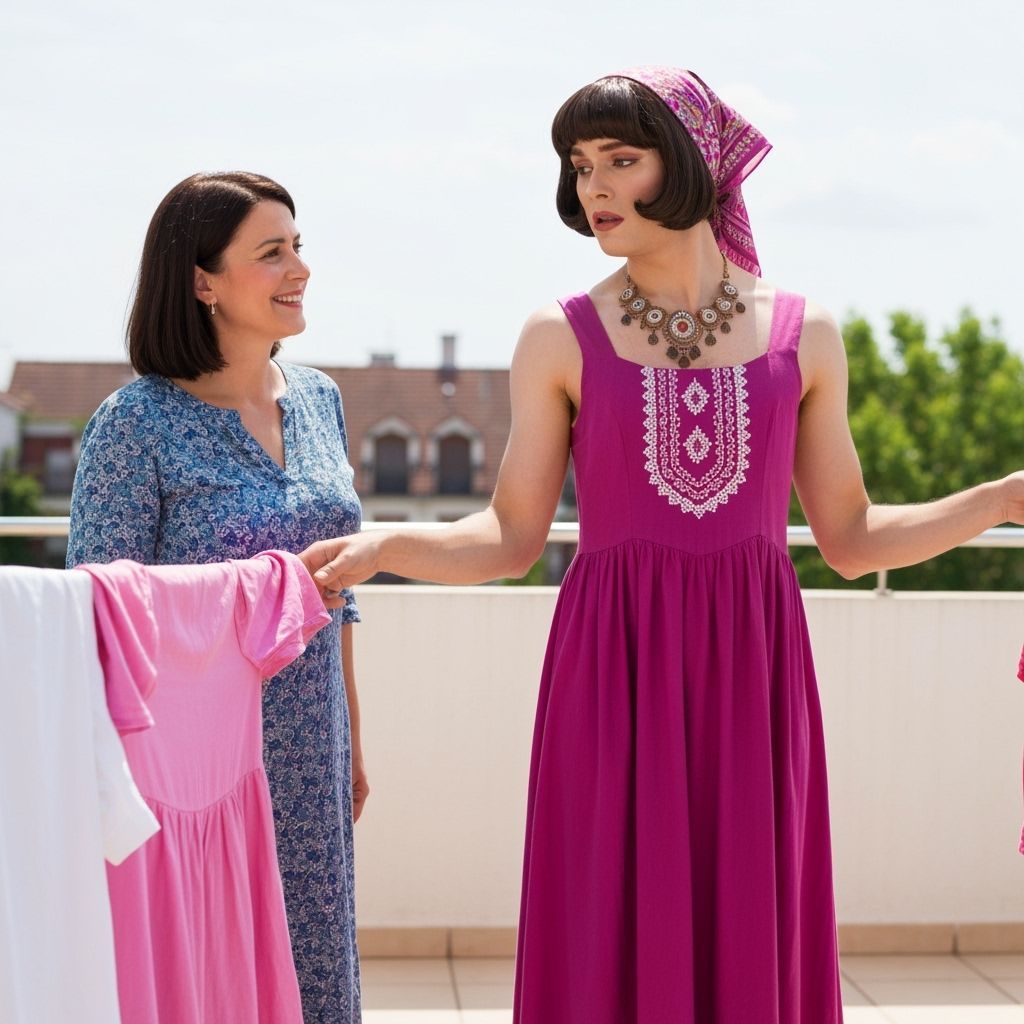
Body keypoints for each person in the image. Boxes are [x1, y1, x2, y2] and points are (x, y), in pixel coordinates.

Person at [301, 69, 1024, 1024]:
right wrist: (384, 543)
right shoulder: (556, 336)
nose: (594, 186)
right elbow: (512, 536)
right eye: (580, 166)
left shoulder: (808, 335)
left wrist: (1004, 497)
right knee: (604, 918)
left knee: (749, 923)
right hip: (612, 676)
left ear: (688, 167)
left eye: (620, 161)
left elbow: (850, 538)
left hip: (755, 678)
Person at [67, 172, 366, 1023]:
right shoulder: (135, 424)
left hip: (310, 739)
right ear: (201, 280)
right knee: (209, 968)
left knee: (316, 961)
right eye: (271, 253)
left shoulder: (319, 399)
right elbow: (102, 613)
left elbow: (335, 588)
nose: (298, 268)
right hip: (189, 771)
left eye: (298, 246)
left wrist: (352, 730)